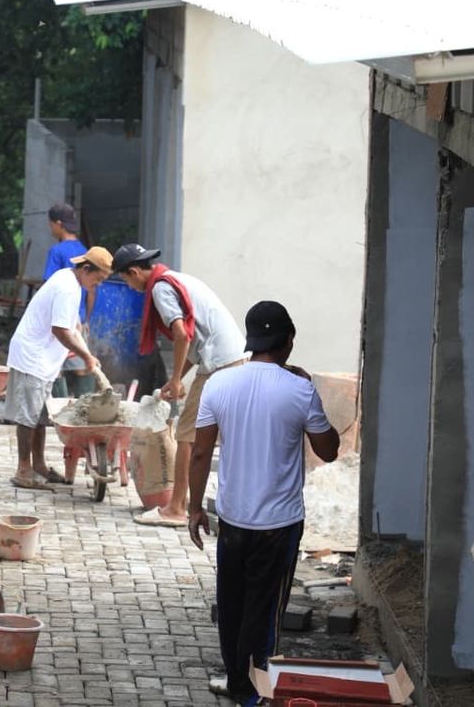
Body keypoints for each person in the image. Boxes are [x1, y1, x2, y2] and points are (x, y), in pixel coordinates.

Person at [187, 301, 339, 706]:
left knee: (233, 604)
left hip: (233, 518)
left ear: (251, 341)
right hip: (279, 524)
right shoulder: (300, 389)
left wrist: (193, 507)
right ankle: (254, 693)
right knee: (266, 611)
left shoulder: (218, 385)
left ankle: (239, 682)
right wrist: (313, 397)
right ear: (288, 341)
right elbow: (329, 451)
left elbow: (200, 454)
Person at [112, 243, 246, 526]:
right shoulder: (178, 279)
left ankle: (175, 508)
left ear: (134, 272)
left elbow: (182, 334)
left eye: (126, 279)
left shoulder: (160, 289)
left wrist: (175, 379)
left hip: (219, 363)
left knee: (187, 435)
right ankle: (230, 505)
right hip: (232, 358)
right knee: (224, 437)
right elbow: (194, 340)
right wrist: (177, 380)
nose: (130, 285)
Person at [0, 247, 112, 489]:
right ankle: (23, 469)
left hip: (43, 359)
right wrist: (85, 355)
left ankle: (38, 464)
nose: (97, 285)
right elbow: (60, 331)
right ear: (85, 269)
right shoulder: (66, 288)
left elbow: (74, 328)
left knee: (40, 417)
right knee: (28, 417)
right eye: (97, 279)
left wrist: (89, 357)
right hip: (32, 356)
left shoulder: (71, 282)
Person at [43, 202, 94, 399]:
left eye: (50, 225)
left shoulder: (57, 252)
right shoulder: (84, 250)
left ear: (58, 224)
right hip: (79, 320)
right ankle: (87, 410)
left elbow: (49, 287)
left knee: (57, 368)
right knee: (82, 366)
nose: (50, 229)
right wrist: (85, 318)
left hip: (61, 320)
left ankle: (59, 412)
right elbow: (92, 291)